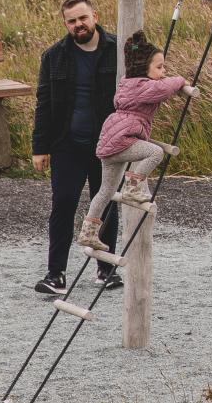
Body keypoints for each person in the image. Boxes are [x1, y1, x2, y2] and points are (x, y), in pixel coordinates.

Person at [32, 0, 121, 296]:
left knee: (106, 203)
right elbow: (43, 103)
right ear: (65, 23)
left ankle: (106, 268)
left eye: (82, 18)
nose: (78, 24)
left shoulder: (118, 49)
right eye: (71, 20)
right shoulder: (53, 56)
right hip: (66, 144)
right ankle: (55, 274)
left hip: (107, 143)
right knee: (63, 205)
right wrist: (39, 147)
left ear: (94, 16)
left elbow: (141, 82)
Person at [76, 31, 196, 251]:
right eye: (159, 67)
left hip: (110, 141)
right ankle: (133, 186)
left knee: (106, 191)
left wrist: (167, 78)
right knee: (155, 152)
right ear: (144, 69)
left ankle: (88, 232)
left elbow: (161, 85)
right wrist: (181, 81)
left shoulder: (127, 82)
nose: (164, 71)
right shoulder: (145, 87)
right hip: (122, 140)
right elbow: (165, 87)